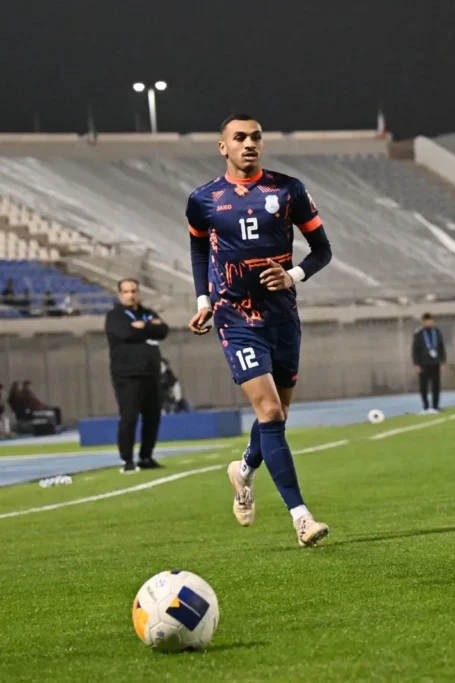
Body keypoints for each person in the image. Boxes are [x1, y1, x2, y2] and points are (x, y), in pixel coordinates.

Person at [187, 113, 333, 547]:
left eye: (255, 137)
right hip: (235, 318)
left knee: (278, 414)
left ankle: (244, 470)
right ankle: (301, 518)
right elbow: (199, 248)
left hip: (282, 317)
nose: (249, 143)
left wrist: (293, 275)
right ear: (223, 147)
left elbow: (322, 249)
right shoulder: (203, 199)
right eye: (239, 137)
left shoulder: (288, 190)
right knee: (269, 412)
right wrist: (203, 300)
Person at [105, 278, 168, 473]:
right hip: (127, 374)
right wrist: (149, 328)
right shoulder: (115, 316)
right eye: (126, 292)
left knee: (153, 416)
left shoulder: (147, 313)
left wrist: (144, 326)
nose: (131, 295)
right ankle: (127, 460)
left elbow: (163, 330)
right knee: (129, 416)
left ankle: (146, 456)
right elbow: (126, 333)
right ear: (120, 295)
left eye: (133, 291)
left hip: (151, 372)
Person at [412, 313, 446, 414]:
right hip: (423, 364)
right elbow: (415, 349)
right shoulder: (419, 333)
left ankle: (435, 406)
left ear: (433, 321)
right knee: (424, 387)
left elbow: (441, 347)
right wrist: (416, 364)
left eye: (430, 321)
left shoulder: (437, 332)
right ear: (423, 322)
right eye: (426, 321)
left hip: (435, 363)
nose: (428, 323)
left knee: (436, 386)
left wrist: (443, 361)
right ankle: (426, 407)